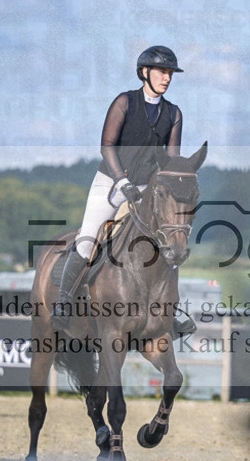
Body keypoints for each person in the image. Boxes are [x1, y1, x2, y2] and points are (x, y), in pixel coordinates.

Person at [52, 46, 192, 333]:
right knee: (88, 238)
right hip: (111, 181)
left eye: (170, 74)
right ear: (145, 73)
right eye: (162, 72)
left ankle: (170, 313)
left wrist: (168, 184)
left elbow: (171, 159)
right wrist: (122, 182)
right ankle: (64, 302)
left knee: (169, 241)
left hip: (147, 189)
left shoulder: (174, 113)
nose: (167, 78)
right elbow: (107, 147)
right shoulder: (124, 102)